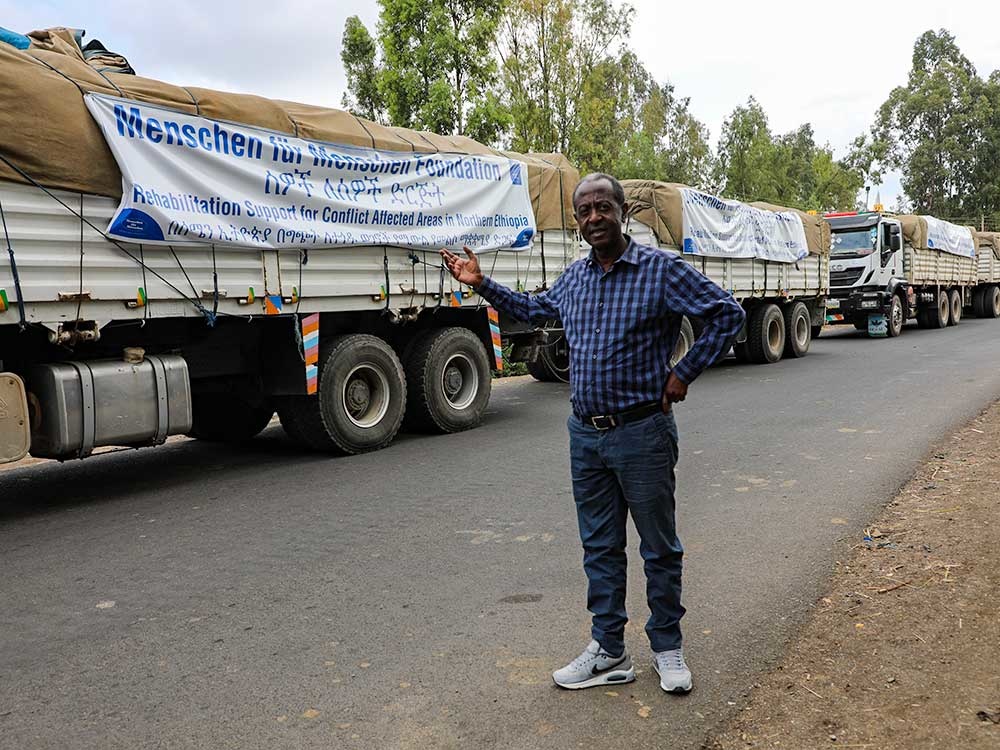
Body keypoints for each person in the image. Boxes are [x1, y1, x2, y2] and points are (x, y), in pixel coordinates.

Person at [440, 173, 745, 694]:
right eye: (584, 211)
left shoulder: (660, 270)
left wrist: (683, 373)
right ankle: (608, 650)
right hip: (586, 436)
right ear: (578, 222)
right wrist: (481, 282)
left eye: (603, 207)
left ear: (622, 213)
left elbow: (727, 314)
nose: (594, 218)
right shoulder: (576, 278)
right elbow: (537, 310)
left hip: (643, 432)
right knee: (600, 547)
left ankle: (667, 647)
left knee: (658, 547)